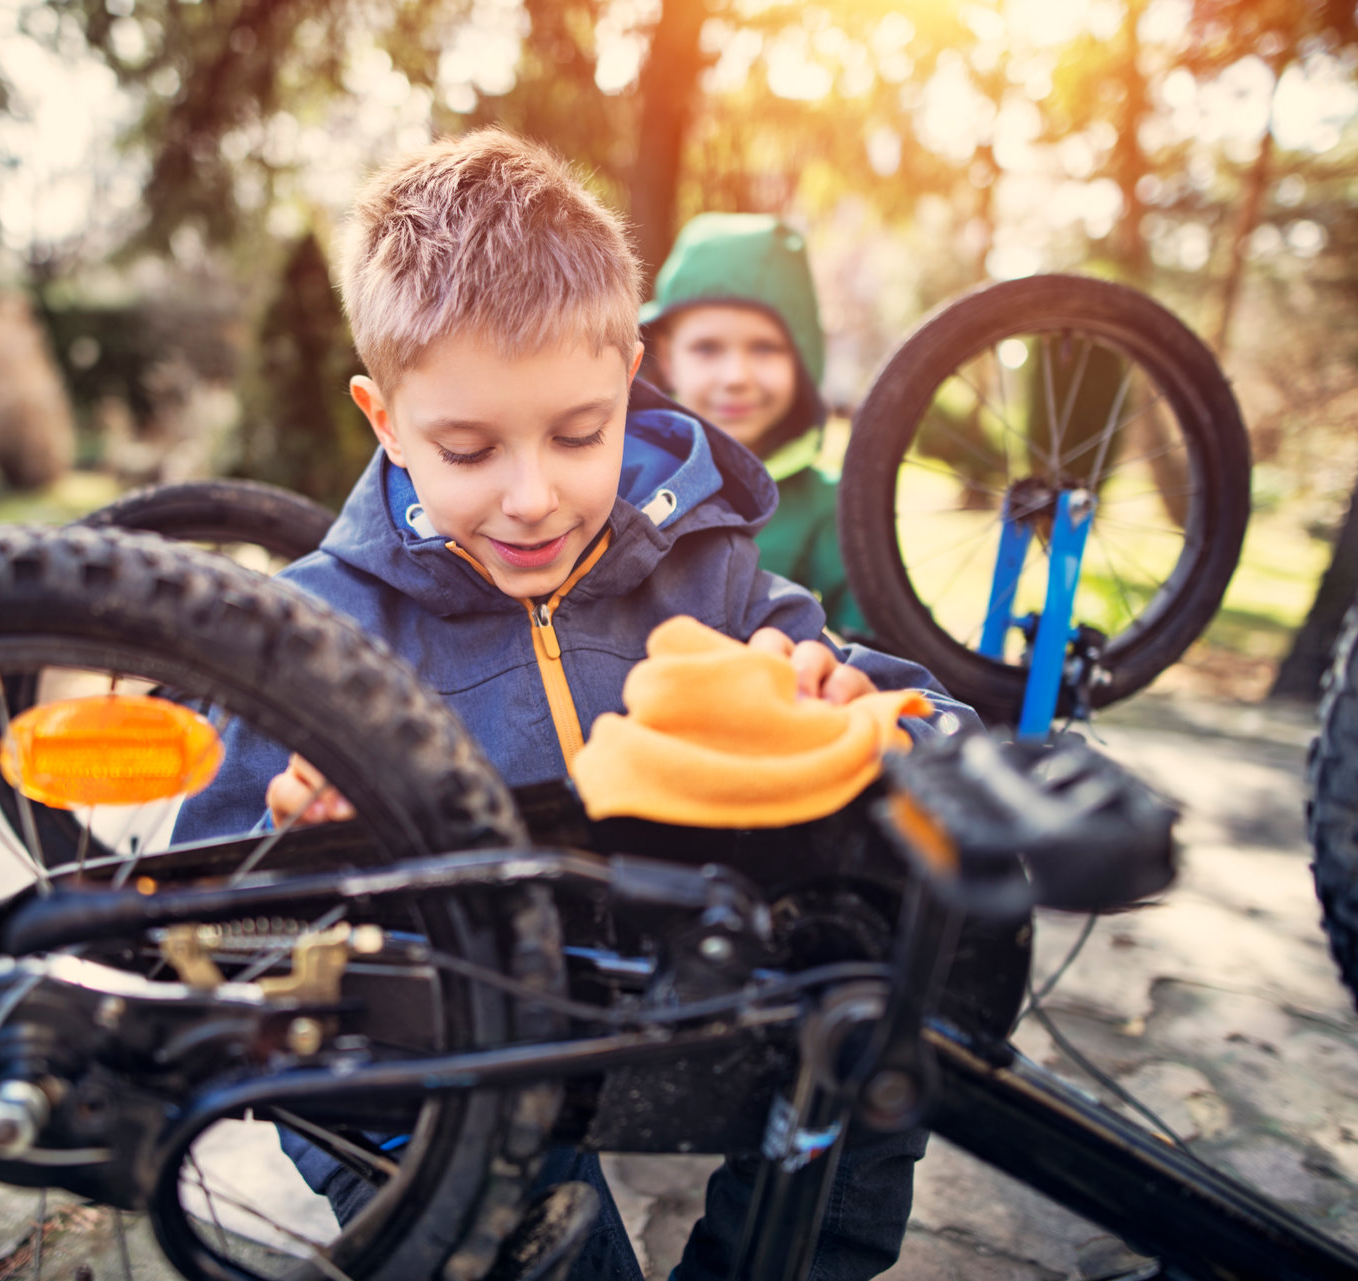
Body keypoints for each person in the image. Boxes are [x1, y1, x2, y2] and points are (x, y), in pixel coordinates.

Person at [178, 128, 978, 1281]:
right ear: (385, 420)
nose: (533, 496)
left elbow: (899, 702)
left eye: (578, 432)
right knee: (545, 1248)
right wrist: (297, 855)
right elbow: (200, 941)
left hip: (663, 1008)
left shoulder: (704, 565)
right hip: (442, 1069)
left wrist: (858, 704)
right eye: (467, 447)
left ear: (628, 372)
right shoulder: (312, 639)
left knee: (872, 1058)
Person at [640, 212, 867, 635]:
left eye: (765, 348)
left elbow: (877, 640)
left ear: (802, 359)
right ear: (668, 360)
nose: (736, 377)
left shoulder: (827, 508)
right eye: (707, 348)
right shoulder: (629, 476)